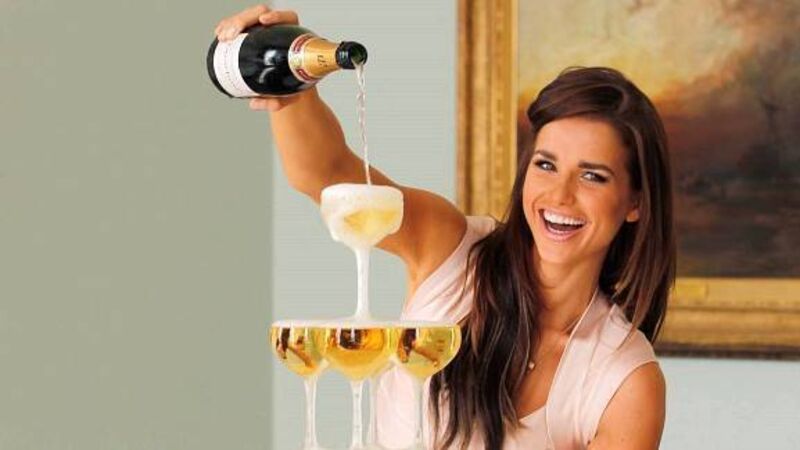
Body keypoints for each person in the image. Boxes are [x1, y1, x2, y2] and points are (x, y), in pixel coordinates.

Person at [215, 5, 673, 449]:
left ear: (636, 201)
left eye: (593, 176)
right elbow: (328, 175)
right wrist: (292, 82)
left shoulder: (624, 382)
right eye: (546, 164)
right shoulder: (451, 250)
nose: (560, 195)